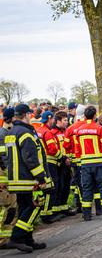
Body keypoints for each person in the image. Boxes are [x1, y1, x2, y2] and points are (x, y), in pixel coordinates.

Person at [6, 104, 53, 253]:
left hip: (15, 179)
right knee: (34, 206)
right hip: (27, 180)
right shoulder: (26, 133)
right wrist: (41, 178)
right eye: (30, 114)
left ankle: (28, 239)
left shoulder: (12, 132)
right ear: (26, 115)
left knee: (25, 207)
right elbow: (31, 159)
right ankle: (16, 237)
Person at [75, 106, 102, 221]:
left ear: (85, 116)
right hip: (99, 163)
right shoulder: (100, 129)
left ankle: (86, 215)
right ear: (95, 116)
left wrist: (80, 162)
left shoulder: (79, 130)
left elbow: (77, 149)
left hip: (85, 164)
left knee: (87, 189)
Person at [36, 111, 63, 223]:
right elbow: (52, 149)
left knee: (43, 189)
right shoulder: (47, 132)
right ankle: (47, 214)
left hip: (39, 163)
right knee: (52, 188)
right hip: (50, 163)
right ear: (49, 118)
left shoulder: (37, 131)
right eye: (52, 119)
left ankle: (43, 211)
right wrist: (62, 157)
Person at [0, 108, 16, 247]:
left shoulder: (7, 132)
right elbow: (5, 158)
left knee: (11, 207)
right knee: (6, 207)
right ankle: (3, 239)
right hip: (4, 178)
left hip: (7, 177)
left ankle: (7, 238)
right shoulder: (3, 135)